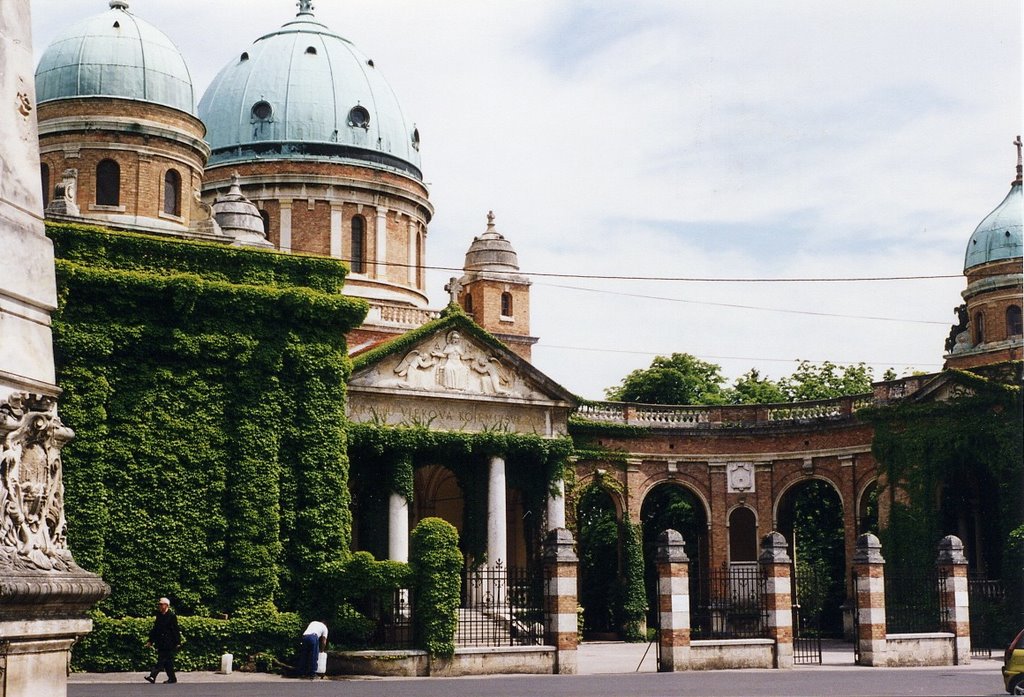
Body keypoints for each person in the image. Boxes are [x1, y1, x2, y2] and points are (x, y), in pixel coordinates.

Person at [144, 597, 180, 684]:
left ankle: (153, 675)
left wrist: (178, 642)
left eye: (161, 604)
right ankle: (172, 678)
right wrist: (150, 641)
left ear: (166, 605)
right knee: (168, 662)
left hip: (169, 642)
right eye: (159, 604)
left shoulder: (171, 616)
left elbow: (175, 630)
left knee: (161, 660)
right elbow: (155, 629)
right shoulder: (159, 615)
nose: (159, 606)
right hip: (160, 642)